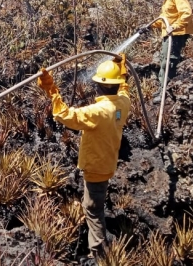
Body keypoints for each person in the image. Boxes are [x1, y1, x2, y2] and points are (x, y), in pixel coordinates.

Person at [37, 56, 131, 259]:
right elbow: (125, 89)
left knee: (93, 209)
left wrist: (51, 89)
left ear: (100, 86)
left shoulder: (97, 112)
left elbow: (65, 116)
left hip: (96, 169)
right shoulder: (123, 104)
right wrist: (121, 70)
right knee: (94, 202)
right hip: (107, 164)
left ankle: (99, 255)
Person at [139, 0, 193, 104]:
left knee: (169, 62)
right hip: (170, 33)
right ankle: (161, 89)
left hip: (177, 34)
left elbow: (186, 13)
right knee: (164, 61)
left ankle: (166, 93)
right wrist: (149, 26)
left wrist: (175, 27)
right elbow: (164, 19)